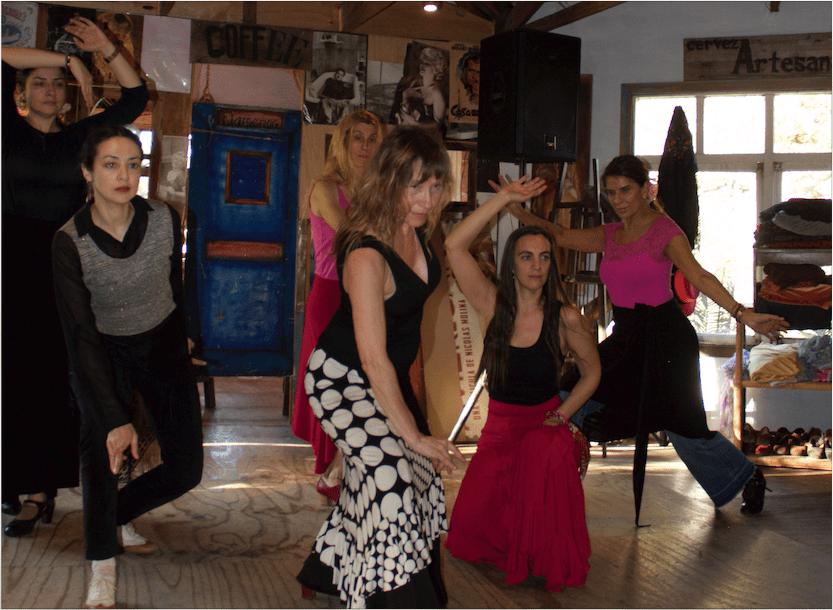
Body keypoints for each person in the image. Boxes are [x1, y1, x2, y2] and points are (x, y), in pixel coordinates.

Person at [508, 155, 790, 524]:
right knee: (569, 391)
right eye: (611, 192)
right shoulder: (611, 234)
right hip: (627, 336)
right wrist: (513, 207)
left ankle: (746, 475)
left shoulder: (664, 231)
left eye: (626, 190)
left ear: (646, 189)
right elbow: (558, 236)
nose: (618, 199)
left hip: (667, 340)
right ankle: (554, 479)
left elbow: (699, 277)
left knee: (683, 426)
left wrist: (743, 313)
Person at [296, 125, 464, 608]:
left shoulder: (418, 229)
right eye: (415, 186)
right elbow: (371, 359)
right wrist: (411, 436)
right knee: (392, 478)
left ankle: (326, 571)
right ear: (388, 180)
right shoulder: (365, 253)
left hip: (382, 377)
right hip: (340, 380)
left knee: (420, 476)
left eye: (435, 187)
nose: (426, 200)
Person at [1, 16, 149, 537]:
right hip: (10, 267)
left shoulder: (81, 140)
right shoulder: (7, 128)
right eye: (38, 82)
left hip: (64, 266)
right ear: (21, 93)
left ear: (69, 98)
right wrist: (66, 59)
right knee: (14, 377)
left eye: (58, 83)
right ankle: (19, 481)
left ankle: (48, 489)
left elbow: (135, 97)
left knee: (59, 378)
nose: (49, 89)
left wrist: (104, 47)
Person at [52, 125, 204, 609]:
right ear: (87, 172)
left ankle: (110, 516)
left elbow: (178, 282)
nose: (124, 175)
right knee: (102, 454)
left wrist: (186, 335)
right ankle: (101, 562)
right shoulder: (69, 241)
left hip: (162, 345)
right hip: (103, 351)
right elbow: (79, 334)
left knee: (186, 468)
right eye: (110, 164)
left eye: (133, 164)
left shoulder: (164, 218)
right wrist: (113, 418)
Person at [443, 176, 601, 591]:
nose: (536, 266)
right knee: (467, 539)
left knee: (532, 533)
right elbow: (455, 246)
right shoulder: (491, 304)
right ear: (511, 264)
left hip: (544, 431)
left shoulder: (566, 318)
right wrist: (503, 199)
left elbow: (592, 374)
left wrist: (561, 417)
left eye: (544, 258)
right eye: (527, 257)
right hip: (498, 432)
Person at [291, 109, 383, 504]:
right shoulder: (325, 188)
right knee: (337, 386)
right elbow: (352, 235)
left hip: (365, 294)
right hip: (330, 295)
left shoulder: (377, 191)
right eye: (357, 137)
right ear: (343, 142)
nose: (365, 146)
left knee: (364, 385)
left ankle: (341, 470)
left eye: (372, 139)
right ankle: (334, 471)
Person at [395, 46, 448, 128]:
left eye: (427, 63)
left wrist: (415, 124)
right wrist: (404, 96)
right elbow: (404, 113)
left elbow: (438, 126)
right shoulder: (415, 83)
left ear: (436, 69)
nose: (422, 65)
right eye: (422, 62)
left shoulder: (436, 92)